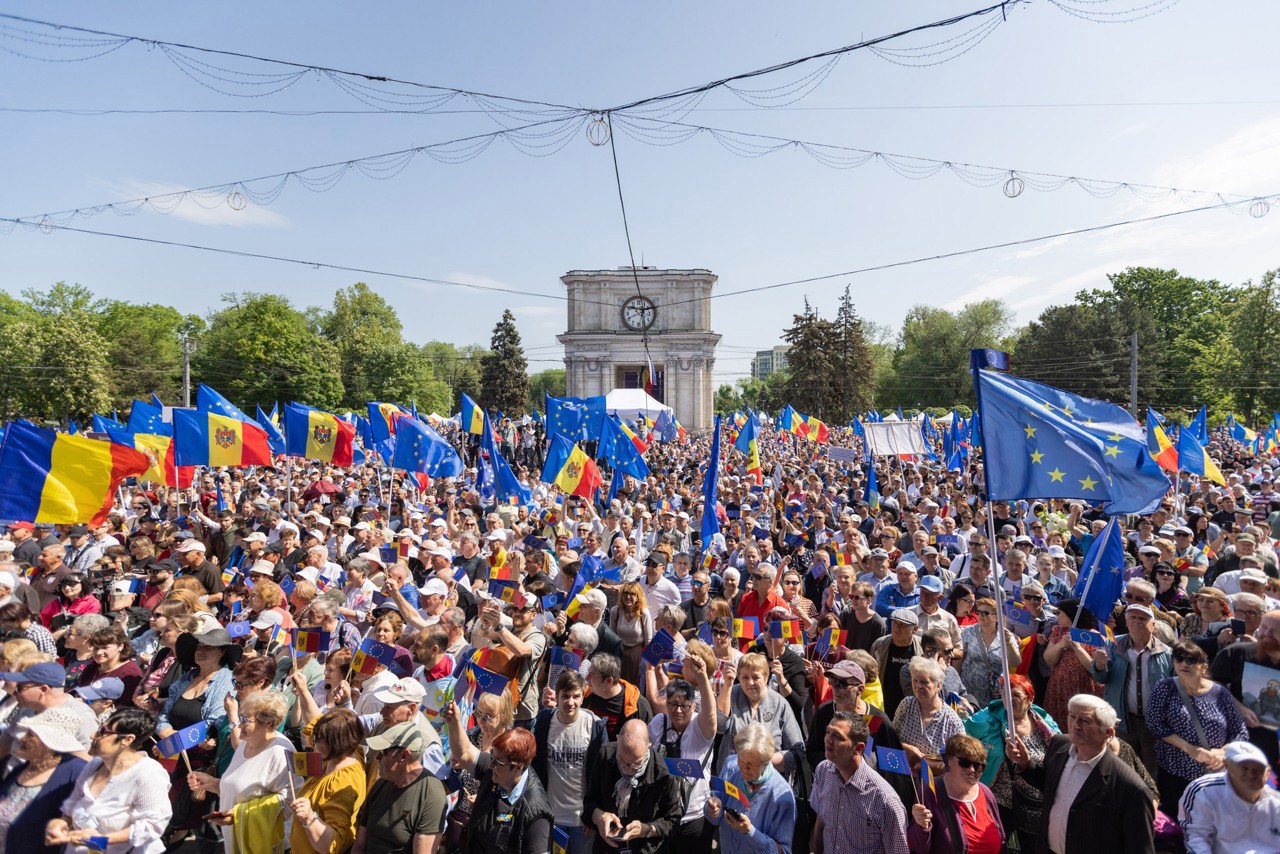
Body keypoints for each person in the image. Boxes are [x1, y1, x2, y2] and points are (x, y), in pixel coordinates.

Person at [1008, 693, 1154, 854]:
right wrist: (1026, 762)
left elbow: (1140, 847)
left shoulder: (1131, 788)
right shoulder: (1059, 745)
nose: (1075, 725)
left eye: (1085, 720)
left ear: (1108, 732)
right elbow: (1049, 785)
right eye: (1072, 716)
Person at [44, 707, 171, 854]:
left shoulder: (149, 774)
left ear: (127, 740)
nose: (92, 736)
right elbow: (72, 805)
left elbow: (154, 824)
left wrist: (103, 840)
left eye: (102, 732)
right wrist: (61, 823)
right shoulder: (95, 764)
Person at [156, 628, 239, 841]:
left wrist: (173, 741)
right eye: (198, 647)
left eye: (207, 648)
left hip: (199, 756)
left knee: (184, 811)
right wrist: (163, 729)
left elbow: (213, 722)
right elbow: (164, 713)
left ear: (222, 651)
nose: (200, 651)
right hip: (171, 752)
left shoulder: (226, 679)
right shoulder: (186, 677)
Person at [188, 690, 294, 854]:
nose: (239, 724)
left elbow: (289, 801)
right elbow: (241, 787)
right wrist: (212, 783)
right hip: (237, 839)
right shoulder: (246, 743)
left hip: (266, 844)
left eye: (246, 719)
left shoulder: (281, 752)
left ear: (269, 723)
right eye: (241, 717)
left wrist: (239, 815)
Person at [1145, 639, 1247, 811]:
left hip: (1214, 775)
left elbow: (1240, 732)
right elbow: (1154, 723)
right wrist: (1189, 748)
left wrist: (1223, 752)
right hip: (1174, 773)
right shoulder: (1164, 687)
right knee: (1175, 821)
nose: (1184, 663)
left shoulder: (1220, 693)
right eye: (1179, 658)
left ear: (1204, 667)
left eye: (1191, 660)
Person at [964, 674, 1059, 850]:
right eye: (1005, 693)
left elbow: (1059, 750)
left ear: (1029, 699)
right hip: (1002, 798)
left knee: (1034, 847)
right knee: (995, 846)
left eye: (1015, 695)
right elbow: (963, 733)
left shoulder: (1044, 722)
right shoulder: (989, 718)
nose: (1009, 699)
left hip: (1036, 801)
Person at [445, 709, 551, 854]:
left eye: (496, 763)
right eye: (492, 758)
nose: (490, 765)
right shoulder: (497, 768)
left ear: (517, 768)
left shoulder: (535, 813)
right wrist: (453, 722)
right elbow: (464, 752)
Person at [1087, 603, 1171, 775]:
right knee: (1122, 767)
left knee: (1151, 770)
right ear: (1126, 622)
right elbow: (1102, 678)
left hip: (1153, 723)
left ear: (1153, 625)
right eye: (1133, 617)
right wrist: (1099, 666)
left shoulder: (1167, 653)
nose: (1137, 621)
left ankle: (1149, 800)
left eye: (1143, 618)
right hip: (1123, 720)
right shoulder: (1112, 646)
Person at [647, 653, 717, 854]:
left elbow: (711, 715)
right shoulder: (659, 722)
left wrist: (702, 677)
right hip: (662, 814)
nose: (678, 711)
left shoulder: (699, 726)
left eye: (684, 706)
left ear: (693, 706)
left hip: (693, 816)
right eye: (673, 705)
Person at [810, 711, 909, 854]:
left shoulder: (885, 801)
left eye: (837, 736)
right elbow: (821, 823)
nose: (828, 740)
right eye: (828, 732)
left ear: (858, 748)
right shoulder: (823, 771)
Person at [582, 718, 684, 854]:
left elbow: (673, 822)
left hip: (645, 849)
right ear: (617, 740)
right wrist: (598, 816)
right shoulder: (605, 755)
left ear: (649, 747)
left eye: (636, 763)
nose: (628, 769)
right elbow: (589, 802)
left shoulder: (663, 774)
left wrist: (646, 830)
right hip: (606, 848)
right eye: (622, 761)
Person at [532, 671, 604, 854]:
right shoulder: (544, 722)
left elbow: (602, 775)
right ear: (556, 696)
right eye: (565, 696)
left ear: (583, 696)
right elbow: (534, 768)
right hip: (550, 818)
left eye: (576, 696)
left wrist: (594, 815)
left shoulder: (594, 726)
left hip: (582, 820)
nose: (570, 702)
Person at [0, 707, 88, 853]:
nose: (23, 738)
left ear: (48, 743)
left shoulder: (74, 772)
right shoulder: (21, 769)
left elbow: (75, 818)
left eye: (30, 735)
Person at [353, 721, 448, 854]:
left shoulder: (431, 794)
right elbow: (359, 845)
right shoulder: (381, 785)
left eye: (383, 752)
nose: (377, 758)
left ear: (403, 756)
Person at [705, 722, 796, 854]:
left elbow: (784, 852)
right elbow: (714, 817)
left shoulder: (782, 795)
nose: (743, 768)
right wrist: (712, 808)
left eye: (751, 764)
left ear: (766, 762)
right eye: (741, 759)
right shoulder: (731, 765)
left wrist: (750, 832)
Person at [907, 733, 1005, 854]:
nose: (972, 770)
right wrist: (921, 826)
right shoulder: (931, 793)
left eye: (978, 765)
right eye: (964, 762)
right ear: (948, 761)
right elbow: (919, 847)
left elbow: (1001, 839)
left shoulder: (986, 793)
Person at [287, 708, 367, 854]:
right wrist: (302, 689)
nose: (313, 742)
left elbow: (333, 844)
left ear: (336, 742)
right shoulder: (350, 752)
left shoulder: (342, 783)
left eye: (318, 739)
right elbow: (314, 722)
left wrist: (309, 817)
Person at [1178, 740, 1280, 854]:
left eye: (1258, 770)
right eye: (1244, 768)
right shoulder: (1204, 791)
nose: (1251, 775)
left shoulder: (1276, 802)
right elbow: (1196, 837)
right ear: (1227, 765)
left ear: (1267, 773)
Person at [718, 653, 804, 780]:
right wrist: (726, 687)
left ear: (766, 677)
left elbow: (798, 752)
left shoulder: (779, 704)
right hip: (733, 780)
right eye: (745, 677)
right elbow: (720, 726)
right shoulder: (732, 693)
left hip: (768, 781)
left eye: (755, 677)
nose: (750, 682)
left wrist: (764, 762)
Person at [1041, 600, 1103, 729]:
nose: (1057, 616)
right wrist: (1060, 645)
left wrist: (1078, 648)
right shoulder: (1058, 631)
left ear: (1071, 614)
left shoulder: (1092, 635)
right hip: (1059, 688)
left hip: (1083, 687)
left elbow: (1093, 668)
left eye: (1059, 613)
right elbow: (1049, 659)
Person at [893, 657, 964, 768]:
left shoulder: (952, 721)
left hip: (935, 782)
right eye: (915, 681)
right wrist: (906, 748)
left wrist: (926, 765)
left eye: (924, 682)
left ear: (938, 686)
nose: (918, 686)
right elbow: (891, 739)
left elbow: (958, 762)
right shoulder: (906, 705)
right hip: (902, 774)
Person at [958, 597, 1020, 709]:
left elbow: (1015, 662)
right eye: (979, 612)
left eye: (985, 613)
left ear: (996, 617)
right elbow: (960, 658)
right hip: (970, 687)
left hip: (995, 692)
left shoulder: (1006, 635)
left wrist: (1008, 643)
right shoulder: (968, 632)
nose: (981, 616)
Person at [612, 582, 654, 687]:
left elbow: (648, 640)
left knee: (636, 684)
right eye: (625, 593)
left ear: (638, 596)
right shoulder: (615, 611)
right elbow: (612, 636)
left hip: (637, 655)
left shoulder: (644, 613)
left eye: (632, 594)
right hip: (620, 654)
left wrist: (647, 663)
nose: (628, 597)